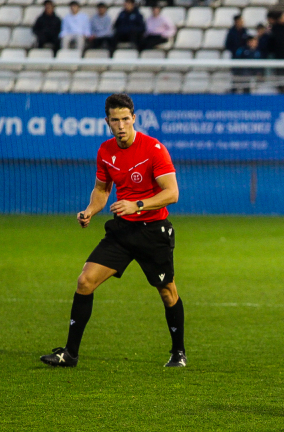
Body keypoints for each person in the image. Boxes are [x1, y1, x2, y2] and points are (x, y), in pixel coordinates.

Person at [40, 93, 186, 369]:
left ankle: (178, 352)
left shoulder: (154, 149)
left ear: (134, 118)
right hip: (122, 231)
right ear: (107, 121)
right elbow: (102, 189)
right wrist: (90, 211)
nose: (120, 125)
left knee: (167, 292)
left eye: (125, 119)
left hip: (153, 231)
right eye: (115, 120)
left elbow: (172, 193)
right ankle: (70, 353)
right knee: (85, 281)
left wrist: (138, 205)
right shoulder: (105, 151)